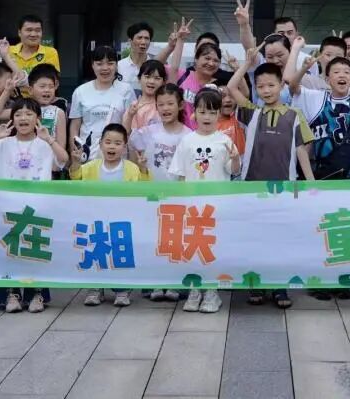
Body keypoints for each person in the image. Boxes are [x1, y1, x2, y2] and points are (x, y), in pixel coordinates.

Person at [227, 56, 316, 309]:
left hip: (284, 189)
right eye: (261, 86)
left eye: (271, 85)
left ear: (281, 86)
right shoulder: (252, 112)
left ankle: (279, 286)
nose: (266, 90)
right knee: (254, 238)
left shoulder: (295, 115)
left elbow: (301, 150)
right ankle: (256, 284)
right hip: (252, 187)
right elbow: (232, 87)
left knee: (281, 238)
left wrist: (311, 182)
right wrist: (246, 64)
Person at [0, 98, 68, 313]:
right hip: (7, 208)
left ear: (38, 118)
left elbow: (63, 160)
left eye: (29, 114)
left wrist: (50, 139)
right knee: (9, 251)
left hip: (37, 208)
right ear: (12, 119)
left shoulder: (45, 144)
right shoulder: (2, 144)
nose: (23, 118)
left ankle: (36, 294)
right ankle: (11, 293)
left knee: (35, 251)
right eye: (18, 114)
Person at [168, 88, 239, 315]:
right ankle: (194, 290)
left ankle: (212, 292)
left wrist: (236, 159)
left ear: (219, 114)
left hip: (216, 208)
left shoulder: (225, 140)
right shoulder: (186, 141)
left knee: (212, 249)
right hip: (192, 207)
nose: (207, 117)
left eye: (212, 112)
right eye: (202, 111)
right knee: (192, 249)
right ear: (194, 114)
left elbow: (234, 171)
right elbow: (180, 175)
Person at [69, 123, 150, 308]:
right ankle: (95, 289)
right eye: (108, 142)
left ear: (124, 147)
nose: (112, 146)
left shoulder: (132, 168)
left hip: (122, 220)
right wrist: (76, 162)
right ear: (100, 144)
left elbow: (144, 188)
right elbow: (75, 178)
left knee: (120, 254)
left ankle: (122, 290)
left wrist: (144, 169)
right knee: (96, 252)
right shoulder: (91, 166)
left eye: (117, 143)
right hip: (96, 219)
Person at [286, 39, 350, 182]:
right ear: (328, 80)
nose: (341, 75)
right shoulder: (316, 98)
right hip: (324, 179)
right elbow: (293, 88)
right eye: (336, 72)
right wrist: (303, 69)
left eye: (346, 72)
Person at [129, 84, 190, 303]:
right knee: (154, 238)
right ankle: (155, 281)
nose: (165, 108)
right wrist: (130, 116)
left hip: (178, 195)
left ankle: (173, 282)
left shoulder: (188, 135)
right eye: (161, 104)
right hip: (152, 194)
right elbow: (127, 139)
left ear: (180, 105)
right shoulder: (149, 132)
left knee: (175, 239)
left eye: (170, 104)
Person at [70, 46, 136, 162]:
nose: (105, 68)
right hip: (87, 156)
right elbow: (75, 127)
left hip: (117, 156)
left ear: (116, 65)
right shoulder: (80, 91)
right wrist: (74, 154)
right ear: (92, 65)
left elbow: (131, 126)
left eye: (110, 63)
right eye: (99, 64)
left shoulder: (126, 90)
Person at [0, 64, 67, 162]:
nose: (47, 90)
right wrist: (7, 91)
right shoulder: (23, 108)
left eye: (51, 87)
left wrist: (54, 165)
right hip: (23, 161)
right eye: (42, 86)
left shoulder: (58, 112)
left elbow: (61, 146)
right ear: (30, 90)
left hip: (49, 163)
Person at [2, 15, 61, 95]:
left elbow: (48, 83)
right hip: (13, 99)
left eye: (37, 30)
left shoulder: (50, 52)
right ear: (19, 32)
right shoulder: (8, 51)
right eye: (29, 30)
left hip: (40, 100)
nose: (33, 34)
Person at [116, 22, 175, 92]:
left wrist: (171, 45)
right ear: (130, 41)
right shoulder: (119, 66)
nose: (143, 42)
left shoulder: (154, 66)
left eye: (146, 38)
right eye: (139, 38)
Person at [122, 60, 167, 132]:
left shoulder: (164, 106)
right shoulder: (133, 105)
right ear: (139, 79)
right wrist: (130, 116)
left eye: (157, 78)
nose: (151, 81)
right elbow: (124, 133)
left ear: (164, 82)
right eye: (147, 77)